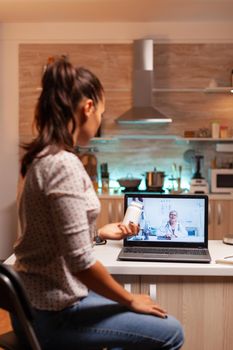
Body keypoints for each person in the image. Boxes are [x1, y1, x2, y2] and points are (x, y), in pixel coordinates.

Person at [12, 57, 184, 350]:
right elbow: (81, 263)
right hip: (55, 314)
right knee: (171, 332)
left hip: (40, 304)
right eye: (101, 113)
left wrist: (98, 233)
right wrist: (130, 298)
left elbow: (53, 238)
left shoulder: (45, 158)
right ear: (88, 108)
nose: (99, 120)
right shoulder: (63, 165)